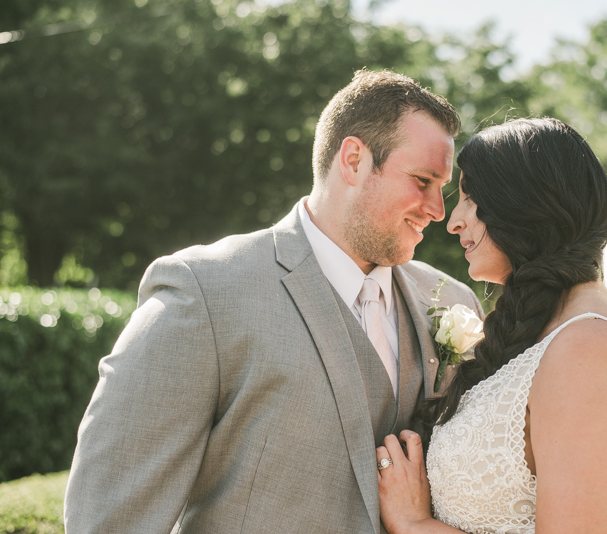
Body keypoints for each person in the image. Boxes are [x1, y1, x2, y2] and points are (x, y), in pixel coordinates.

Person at [63, 69, 484, 533]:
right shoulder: (204, 292)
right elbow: (110, 517)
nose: (438, 210)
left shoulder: (450, 300)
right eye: (422, 180)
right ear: (353, 160)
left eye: (442, 189)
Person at [375, 118, 607, 534]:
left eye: (470, 198)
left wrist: (413, 525)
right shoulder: (551, 333)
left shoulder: (590, 349)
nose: (453, 221)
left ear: (523, 206)